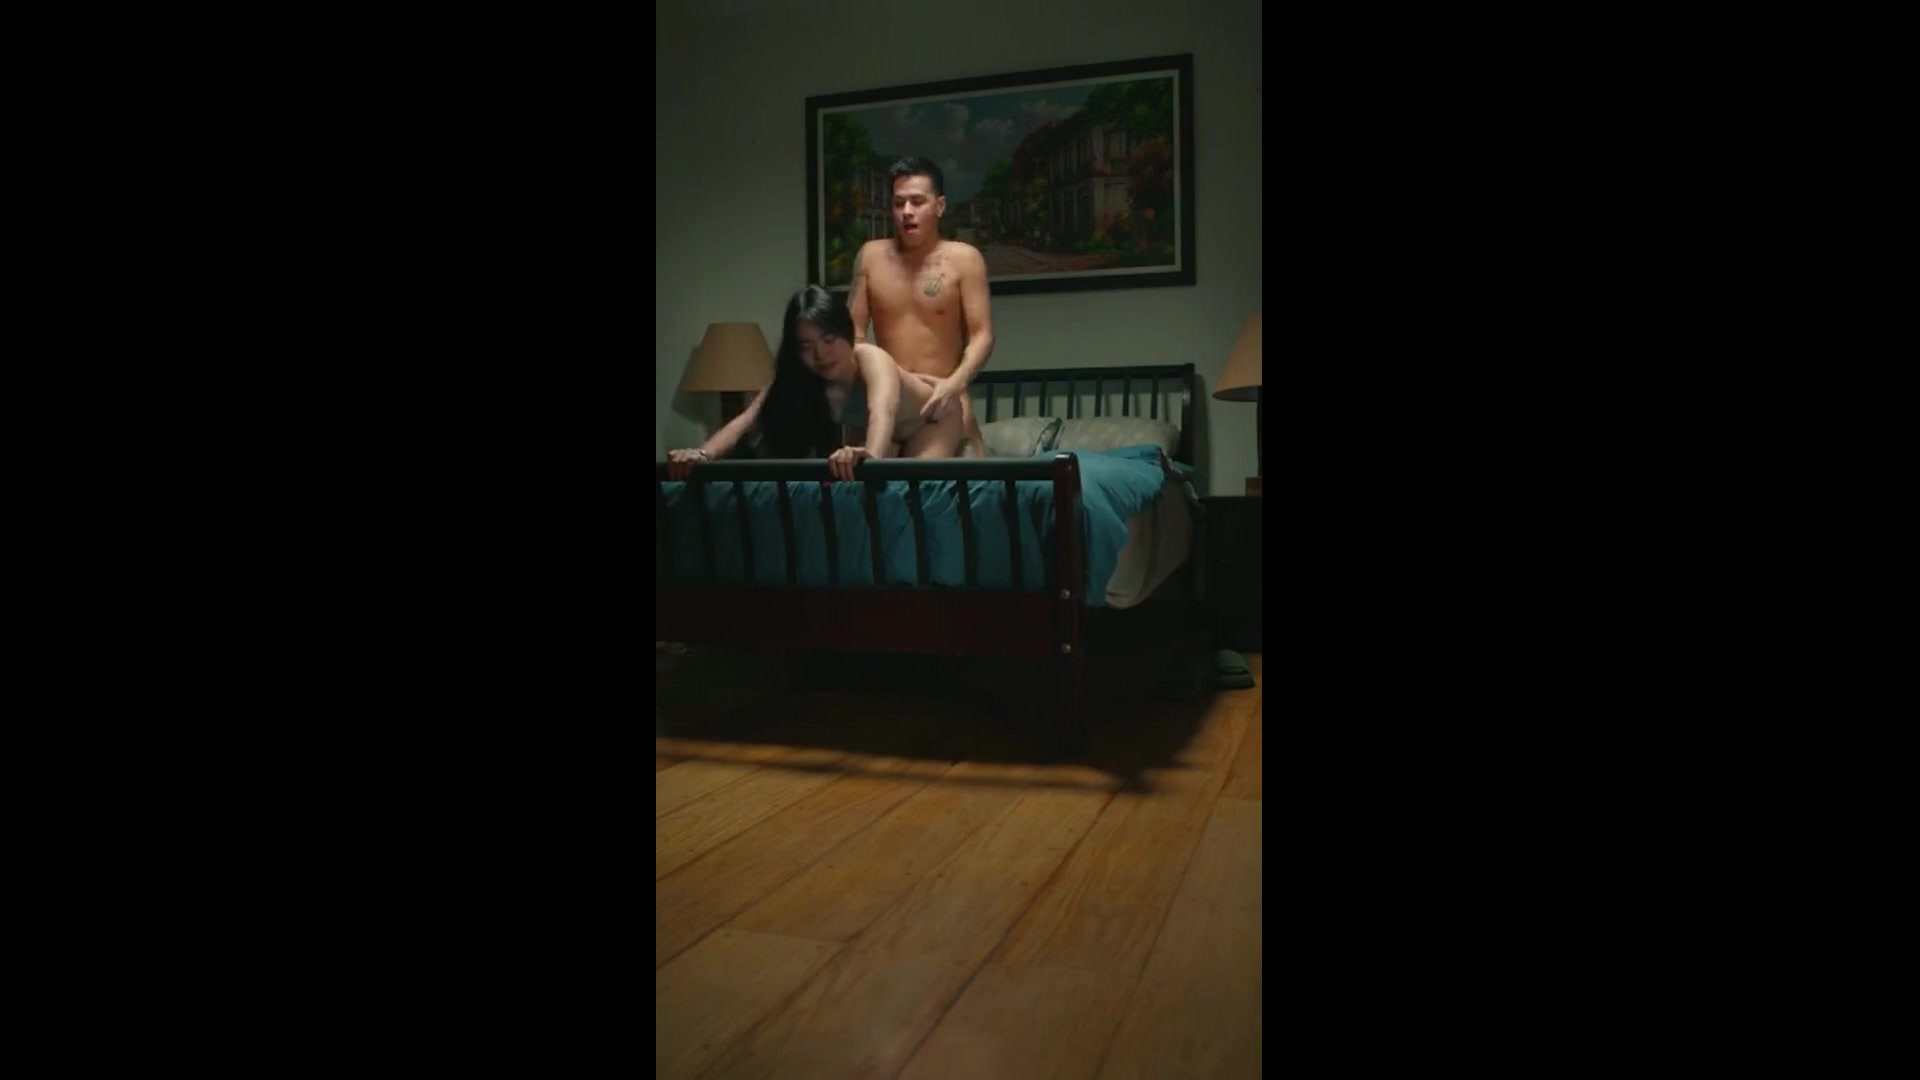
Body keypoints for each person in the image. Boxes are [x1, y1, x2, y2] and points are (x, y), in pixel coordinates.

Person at [665, 285, 963, 481]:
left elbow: (882, 412)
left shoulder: (872, 359)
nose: (820, 355)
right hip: (879, 432)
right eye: (806, 346)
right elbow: (748, 418)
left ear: (846, 333)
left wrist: (869, 457)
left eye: (829, 340)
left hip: (931, 421)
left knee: (910, 494)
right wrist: (701, 454)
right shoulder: (805, 376)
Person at [848, 156, 995, 457]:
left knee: (963, 475)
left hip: (944, 398)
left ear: (939, 206)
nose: (907, 212)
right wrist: (866, 384)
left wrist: (954, 384)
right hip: (890, 401)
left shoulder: (964, 259)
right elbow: (853, 332)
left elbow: (982, 335)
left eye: (917, 202)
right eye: (898, 203)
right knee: (862, 478)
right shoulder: (871, 257)